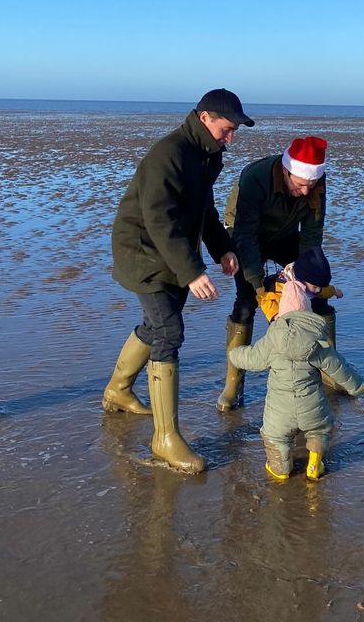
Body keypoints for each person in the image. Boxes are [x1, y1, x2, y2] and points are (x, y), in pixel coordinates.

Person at [102, 88, 254, 474]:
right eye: (226, 129)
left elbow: (203, 207)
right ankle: (164, 439)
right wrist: (192, 272)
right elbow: (159, 220)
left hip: (171, 251)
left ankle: (118, 390)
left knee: (156, 325)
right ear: (205, 118)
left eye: (234, 131)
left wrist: (222, 248)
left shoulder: (208, 154)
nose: (230, 138)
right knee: (169, 331)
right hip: (142, 251)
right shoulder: (168, 154)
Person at [229, 247, 364, 480]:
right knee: (320, 429)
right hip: (312, 406)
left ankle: (281, 469)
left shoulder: (273, 340)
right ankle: (315, 463)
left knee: (275, 437)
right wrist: (358, 387)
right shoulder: (317, 343)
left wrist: (234, 353)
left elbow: (252, 359)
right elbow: (340, 368)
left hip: (279, 411)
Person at [217, 135, 333, 412]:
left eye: (311, 185)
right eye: (301, 184)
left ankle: (326, 373)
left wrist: (305, 274)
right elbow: (245, 235)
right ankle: (234, 385)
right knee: (246, 303)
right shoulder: (256, 177)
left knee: (316, 292)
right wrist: (258, 284)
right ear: (286, 170)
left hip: (284, 235)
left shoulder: (317, 183)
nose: (306, 191)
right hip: (244, 233)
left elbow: (313, 233)